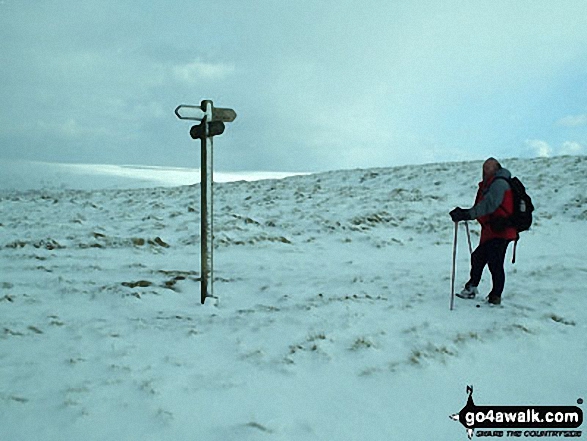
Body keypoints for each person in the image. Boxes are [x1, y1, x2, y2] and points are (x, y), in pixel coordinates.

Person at [449, 158, 518, 305]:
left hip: (502, 230)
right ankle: (472, 288)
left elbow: (488, 205)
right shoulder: (490, 184)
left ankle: (494, 296)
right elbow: (483, 206)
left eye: (489, 167)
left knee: (495, 263)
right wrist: (468, 213)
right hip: (493, 230)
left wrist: (467, 214)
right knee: (478, 258)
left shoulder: (499, 184)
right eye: (484, 167)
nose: (485, 170)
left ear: (497, 168)